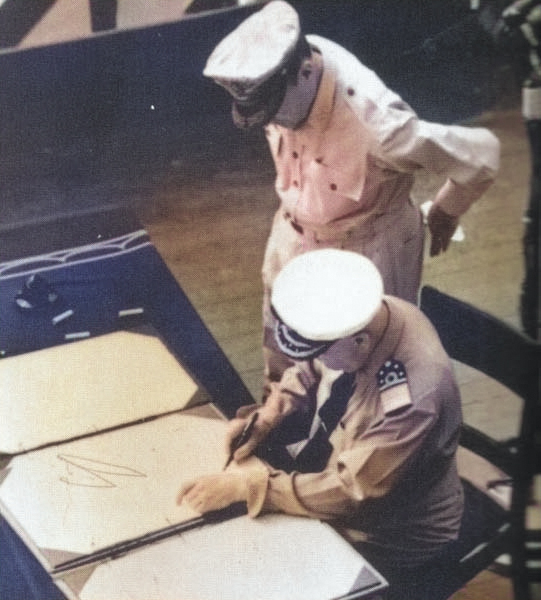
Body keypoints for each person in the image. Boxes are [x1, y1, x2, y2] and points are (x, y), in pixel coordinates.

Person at [203, 0, 501, 387]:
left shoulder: (380, 127)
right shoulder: (289, 65)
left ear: (305, 72)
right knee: (282, 363)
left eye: (275, 109)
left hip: (365, 250)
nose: (272, 121)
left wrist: (446, 210)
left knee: (360, 383)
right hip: (293, 235)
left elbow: (480, 157)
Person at [178, 248, 466, 599]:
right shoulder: (359, 316)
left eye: (320, 350)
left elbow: (353, 492)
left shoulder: (412, 396)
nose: (314, 358)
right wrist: (269, 416)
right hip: (338, 479)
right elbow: (310, 366)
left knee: (253, 580)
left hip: (389, 534)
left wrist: (250, 488)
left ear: (360, 340)